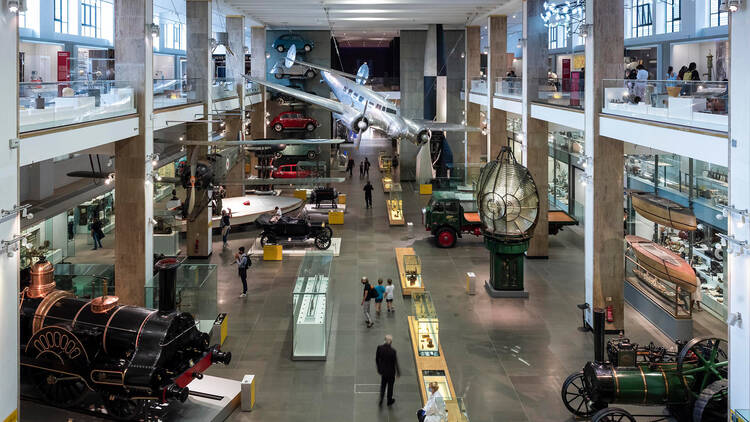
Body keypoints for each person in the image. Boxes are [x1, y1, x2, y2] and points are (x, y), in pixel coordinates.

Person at [376, 334, 400, 407]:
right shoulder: (393, 351)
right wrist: (398, 372)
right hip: (391, 372)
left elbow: (377, 359)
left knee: (383, 385)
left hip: (383, 371)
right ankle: (389, 400)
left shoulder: (380, 348)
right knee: (390, 386)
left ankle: (381, 399)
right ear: (391, 342)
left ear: (384, 340)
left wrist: (379, 368)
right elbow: (395, 362)